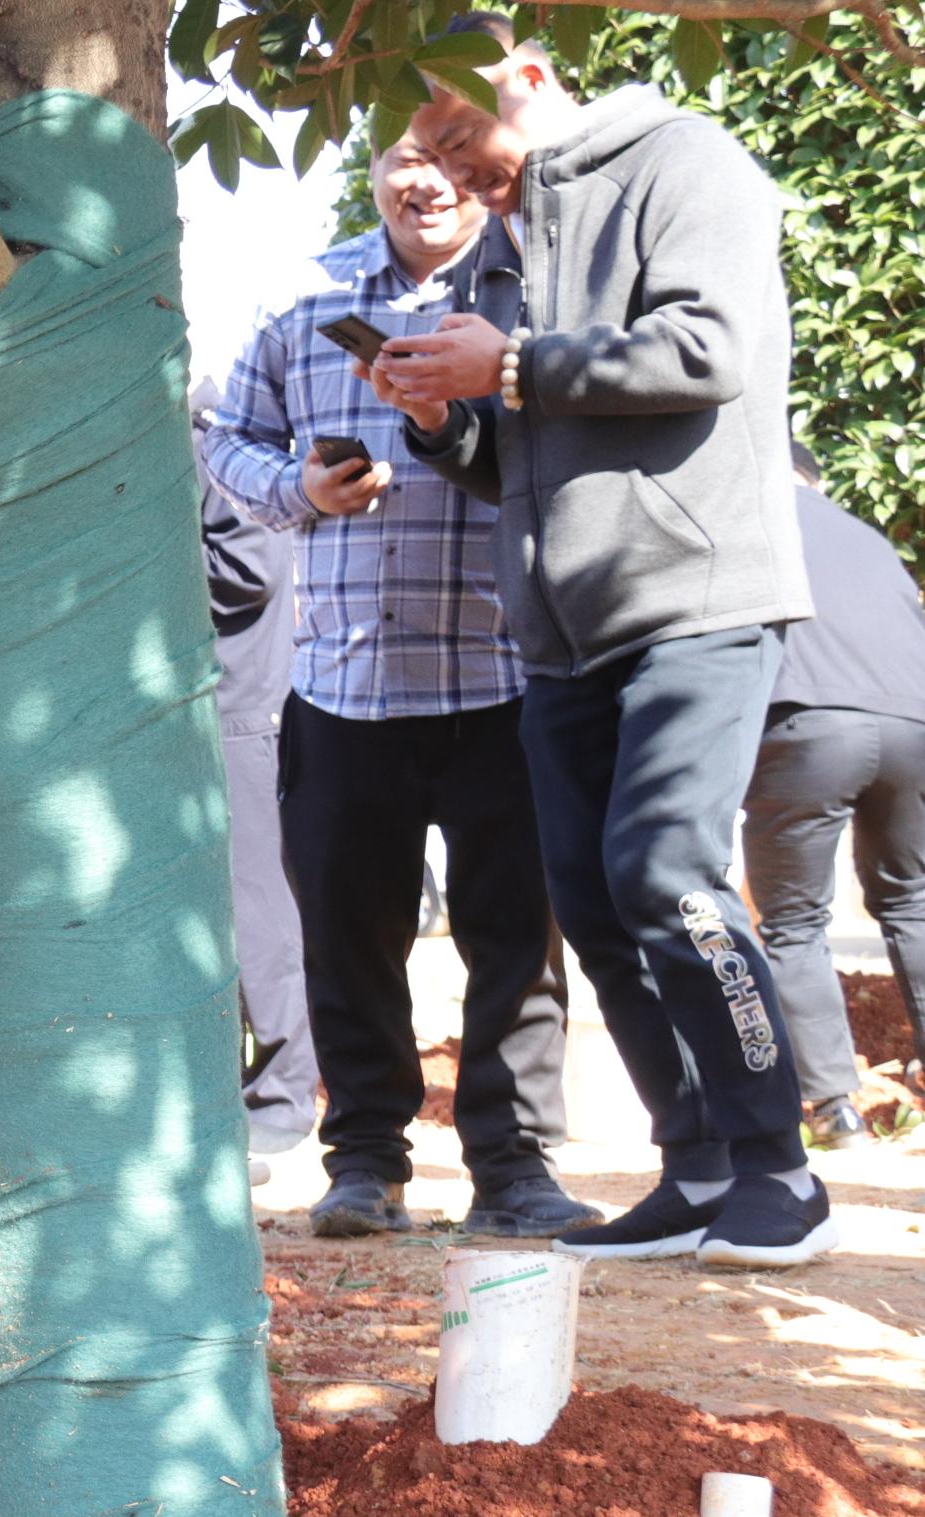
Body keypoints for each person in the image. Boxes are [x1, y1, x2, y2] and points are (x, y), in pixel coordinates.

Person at [371, 19, 828, 1268]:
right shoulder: (501, 248)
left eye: (461, 139)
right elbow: (515, 454)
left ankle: (779, 1170)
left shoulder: (686, 163)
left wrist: (511, 364)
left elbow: (708, 349)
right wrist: (440, 418)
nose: (456, 176)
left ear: (527, 75)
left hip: (700, 593)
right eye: (431, 157)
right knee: (590, 896)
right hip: (560, 637)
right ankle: (699, 1169)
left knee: (669, 872)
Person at [203, 135, 593, 1241]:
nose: (419, 175)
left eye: (442, 152)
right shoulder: (307, 294)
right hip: (342, 681)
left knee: (515, 936)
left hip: (506, 674)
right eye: (396, 153)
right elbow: (225, 434)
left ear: (481, 162)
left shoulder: (533, 299)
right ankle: (366, 1158)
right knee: (347, 934)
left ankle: (514, 1166)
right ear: (369, 164)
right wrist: (300, 490)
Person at [740, 444, 925, 1148]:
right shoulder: (866, 534)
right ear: (815, 481)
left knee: (791, 922)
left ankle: (832, 1110)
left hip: (808, 722)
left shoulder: (748, 519)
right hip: (914, 724)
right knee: (913, 902)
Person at [190, 415, 321, 1172]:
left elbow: (248, 573)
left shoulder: (210, 441)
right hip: (192, 716)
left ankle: (280, 1099)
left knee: (258, 918)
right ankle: (232, 1095)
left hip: (240, 712)